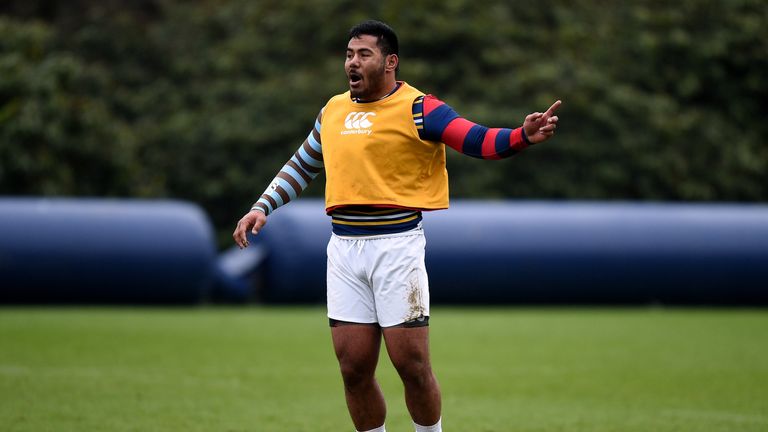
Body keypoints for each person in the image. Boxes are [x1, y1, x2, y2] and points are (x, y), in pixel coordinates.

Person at [233, 20, 560, 432]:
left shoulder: (421, 108)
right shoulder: (332, 111)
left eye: (363, 54)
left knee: (412, 366)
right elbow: (302, 164)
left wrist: (521, 136)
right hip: (344, 251)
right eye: (349, 55)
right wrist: (263, 206)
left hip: (397, 248)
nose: (352, 63)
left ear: (390, 62)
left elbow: (475, 139)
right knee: (353, 369)